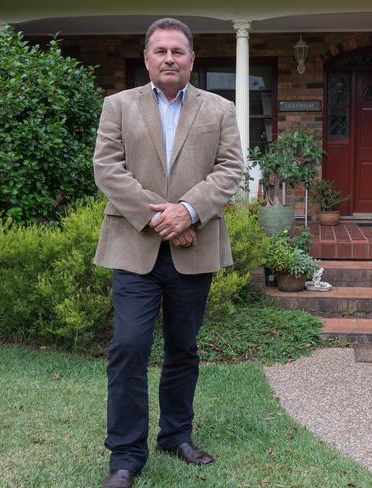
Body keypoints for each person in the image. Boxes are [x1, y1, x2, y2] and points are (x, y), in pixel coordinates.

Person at [92, 17, 244, 488]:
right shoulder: (117, 105)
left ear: (192, 59)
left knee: (183, 348)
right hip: (133, 248)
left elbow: (230, 169)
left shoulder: (219, 109)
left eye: (178, 51)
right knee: (129, 347)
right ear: (146, 58)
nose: (169, 59)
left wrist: (189, 211)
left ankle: (175, 435)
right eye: (160, 51)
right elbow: (107, 169)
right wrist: (163, 218)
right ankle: (125, 455)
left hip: (193, 249)